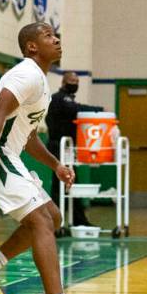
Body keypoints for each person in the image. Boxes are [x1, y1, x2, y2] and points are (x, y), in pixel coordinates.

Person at [0, 23, 106, 294]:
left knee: (52, 218)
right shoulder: (24, 73)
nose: (57, 40)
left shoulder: (40, 82)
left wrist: (55, 165)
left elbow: (27, 137)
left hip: (4, 154)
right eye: (48, 36)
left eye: (57, 36)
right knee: (40, 220)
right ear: (31, 47)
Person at [45, 71, 103, 226]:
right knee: (60, 186)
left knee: (70, 183)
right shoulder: (60, 98)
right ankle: (57, 222)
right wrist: (99, 109)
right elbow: (76, 109)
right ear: (64, 82)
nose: (75, 83)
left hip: (67, 148)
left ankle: (77, 221)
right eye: (72, 80)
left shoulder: (67, 99)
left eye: (77, 80)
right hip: (58, 147)